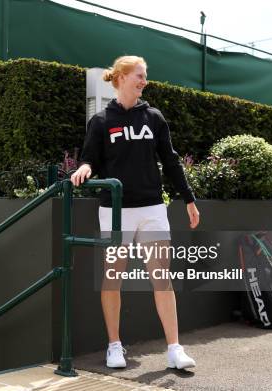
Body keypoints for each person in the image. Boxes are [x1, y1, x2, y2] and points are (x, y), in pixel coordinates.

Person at [71, 55, 200, 370]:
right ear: (121, 78)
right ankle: (114, 346)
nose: (144, 81)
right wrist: (85, 168)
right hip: (115, 211)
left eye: (145, 76)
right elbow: (90, 158)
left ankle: (174, 349)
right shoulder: (101, 121)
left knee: (161, 278)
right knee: (112, 278)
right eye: (139, 76)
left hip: (152, 208)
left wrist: (189, 199)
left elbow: (170, 161)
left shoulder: (153, 117)